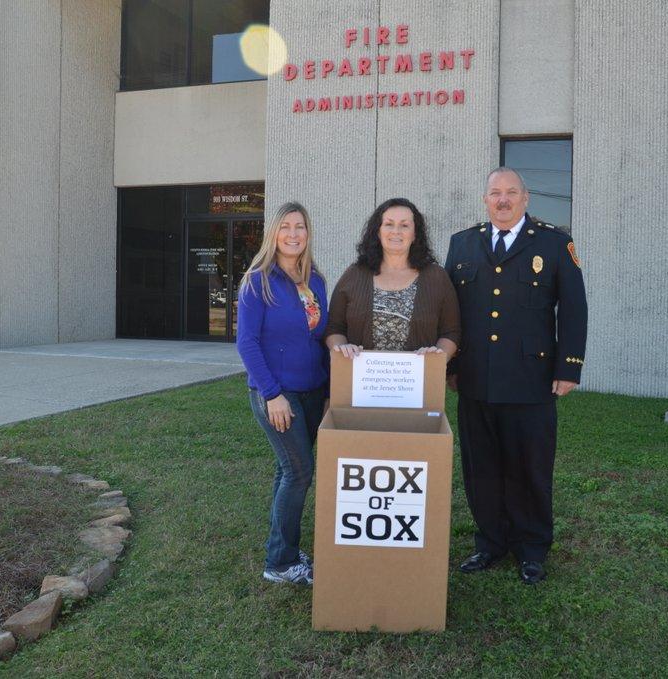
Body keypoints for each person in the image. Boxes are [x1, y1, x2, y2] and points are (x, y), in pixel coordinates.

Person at [444, 167, 588, 585]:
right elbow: (452, 312)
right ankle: (489, 542)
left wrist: (569, 366)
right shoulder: (463, 243)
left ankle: (532, 547)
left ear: (526, 198)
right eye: (495, 193)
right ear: (485, 199)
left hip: (532, 378)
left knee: (530, 466)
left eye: (510, 193)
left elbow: (574, 308)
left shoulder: (554, 243)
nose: (502, 200)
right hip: (476, 379)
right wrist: (452, 367)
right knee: (481, 467)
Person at [237, 201, 328, 586]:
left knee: (287, 469)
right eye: (286, 226)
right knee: (299, 471)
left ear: (308, 233)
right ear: (273, 233)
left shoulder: (316, 280)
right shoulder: (257, 281)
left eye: (300, 227)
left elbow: (321, 339)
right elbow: (247, 343)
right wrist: (273, 395)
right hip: (278, 395)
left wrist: (327, 393)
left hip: (312, 393)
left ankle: (281, 548)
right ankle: (281, 563)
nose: (293, 234)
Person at [325, 197, 460, 359]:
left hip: (418, 381)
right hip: (363, 381)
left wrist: (436, 358)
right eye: (389, 224)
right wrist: (342, 348)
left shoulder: (437, 277)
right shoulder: (354, 275)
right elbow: (334, 328)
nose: (396, 231)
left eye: (404, 225)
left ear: (415, 234)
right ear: (378, 231)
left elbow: (451, 332)